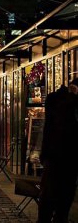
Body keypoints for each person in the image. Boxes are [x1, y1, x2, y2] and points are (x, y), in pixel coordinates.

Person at [38, 78, 78, 223]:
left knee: (49, 195)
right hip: (66, 158)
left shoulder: (54, 101)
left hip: (53, 156)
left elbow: (48, 130)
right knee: (63, 196)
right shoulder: (69, 105)